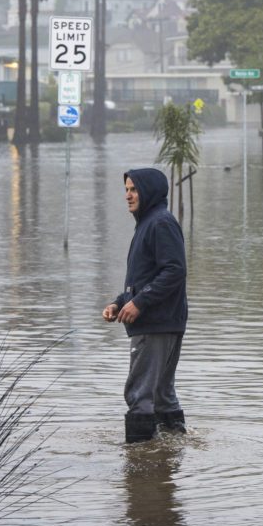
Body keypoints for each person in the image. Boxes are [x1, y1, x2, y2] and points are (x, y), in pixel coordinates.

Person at [102, 168, 188, 443]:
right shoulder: (149, 223)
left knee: (140, 394)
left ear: (149, 191)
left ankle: (141, 467)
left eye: (134, 189)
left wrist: (139, 303)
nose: (128, 195)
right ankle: (172, 452)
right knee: (162, 394)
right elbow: (146, 276)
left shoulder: (159, 223)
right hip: (162, 320)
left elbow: (174, 270)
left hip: (154, 323)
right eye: (126, 189)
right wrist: (120, 302)